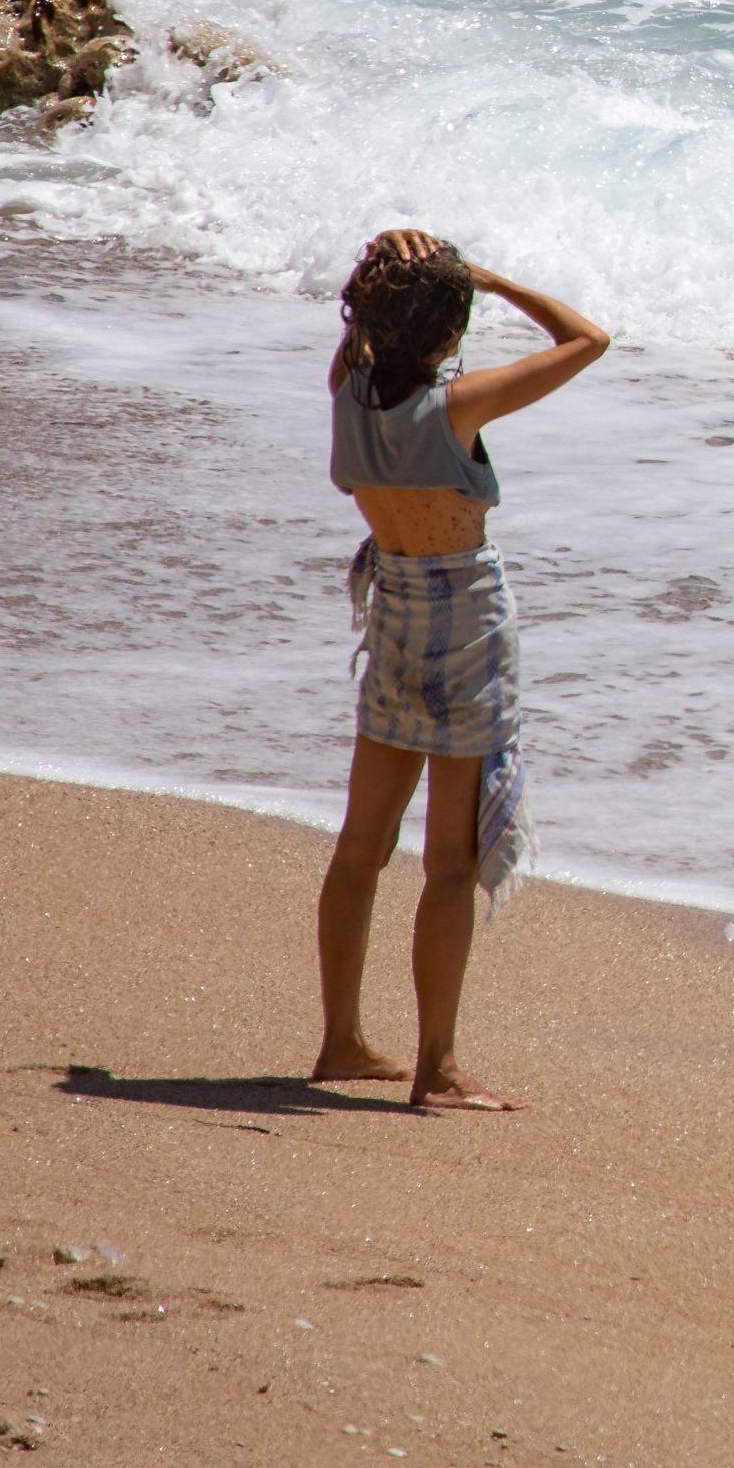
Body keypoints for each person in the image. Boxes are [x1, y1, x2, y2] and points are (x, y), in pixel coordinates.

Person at [311, 227, 607, 1110]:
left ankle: (341, 1042)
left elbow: (363, 339)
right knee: (446, 862)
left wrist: (397, 284)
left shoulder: (346, 394)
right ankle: (435, 1067)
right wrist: (492, 276)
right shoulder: (456, 408)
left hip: (395, 615)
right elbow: (587, 340)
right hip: (467, 627)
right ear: (450, 328)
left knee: (360, 850)